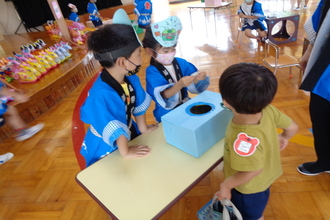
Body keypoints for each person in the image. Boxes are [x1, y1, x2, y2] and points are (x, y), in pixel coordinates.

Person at [216, 63, 298, 220]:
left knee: (250, 215)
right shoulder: (269, 110)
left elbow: (252, 171)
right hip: (267, 177)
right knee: (257, 205)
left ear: (226, 102)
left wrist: (226, 185)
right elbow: (293, 127)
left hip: (247, 189)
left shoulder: (242, 138)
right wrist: (284, 137)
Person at [80, 9, 158, 167]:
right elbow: (112, 123)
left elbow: (138, 105)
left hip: (127, 130)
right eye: (138, 54)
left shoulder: (131, 78)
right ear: (123, 62)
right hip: (106, 142)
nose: (141, 58)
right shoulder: (101, 94)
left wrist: (143, 129)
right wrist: (126, 151)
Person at [142, 16, 210, 122]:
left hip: (185, 105)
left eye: (173, 49)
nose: (170, 53)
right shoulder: (152, 71)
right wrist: (179, 85)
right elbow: (163, 95)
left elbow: (192, 80)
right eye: (165, 51)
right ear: (150, 51)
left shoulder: (180, 62)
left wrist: (198, 78)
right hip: (166, 113)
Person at [297, 0, 330, 175]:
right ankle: (325, 161)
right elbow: (320, 26)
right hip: (326, 73)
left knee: (322, 118)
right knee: (321, 116)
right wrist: (309, 53)